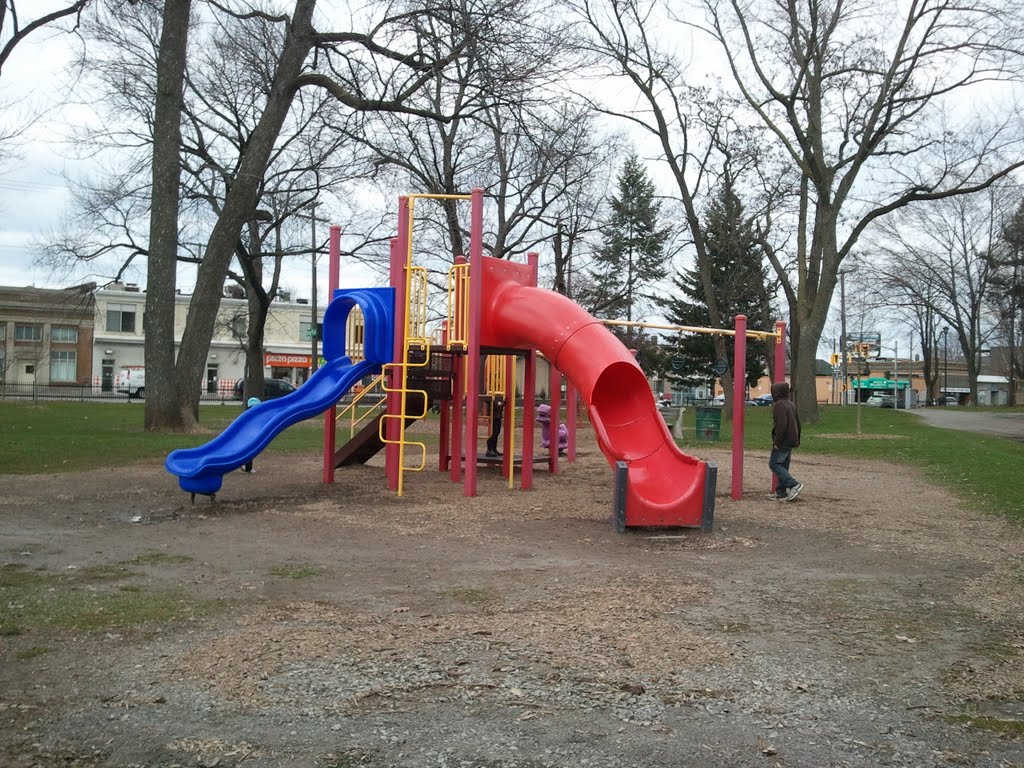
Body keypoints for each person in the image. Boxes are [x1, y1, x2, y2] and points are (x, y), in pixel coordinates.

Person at [768, 381, 802, 501]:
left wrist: (777, 442)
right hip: (791, 439)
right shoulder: (791, 404)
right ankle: (781, 492)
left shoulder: (779, 405)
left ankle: (793, 484)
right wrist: (798, 439)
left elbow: (781, 426)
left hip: (783, 440)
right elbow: (798, 423)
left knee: (774, 464)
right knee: (783, 465)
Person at [241, 396, 261, 473]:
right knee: (250, 451)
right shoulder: (254, 415)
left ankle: (247, 466)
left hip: (245, 436)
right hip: (249, 436)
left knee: (248, 451)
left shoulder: (247, 414)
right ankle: (248, 467)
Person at [486, 393, 505, 458]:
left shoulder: (500, 394)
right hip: (493, 416)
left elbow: (501, 403)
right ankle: (489, 449)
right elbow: (488, 400)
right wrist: (497, 403)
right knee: (493, 433)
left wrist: (502, 403)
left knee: (497, 432)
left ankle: (494, 449)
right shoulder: (490, 392)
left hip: (498, 416)